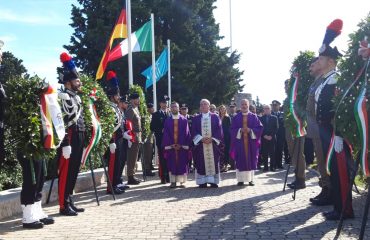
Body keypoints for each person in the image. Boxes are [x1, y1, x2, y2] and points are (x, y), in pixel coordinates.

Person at [314, 19, 353, 220]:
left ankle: (344, 209)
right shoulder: (326, 80)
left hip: (335, 132)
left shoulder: (336, 79)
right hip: (327, 131)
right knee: (334, 171)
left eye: (321, 59)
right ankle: (339, 206)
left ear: (330, 61)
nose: (318, 62)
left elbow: (339, 110)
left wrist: (339, 134)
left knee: (340, 170)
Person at [57, 52, 86, 216]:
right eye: (76, 80)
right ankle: (63, 205)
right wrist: (66, 143)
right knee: (67, 171)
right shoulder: (64, 96)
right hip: (70, 138)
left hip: (79, 136)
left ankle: (69, 200)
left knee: (74, 171)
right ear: (68, 82)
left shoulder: (76, 97)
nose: (79, 82)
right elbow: (63, 122)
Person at [230, 99, 263, 186]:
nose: (244, 106)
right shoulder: (236, 117)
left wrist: (250, 130)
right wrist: (240, 130)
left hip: (251, 143)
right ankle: (240, 180)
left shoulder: (254, 116)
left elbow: (259, 128)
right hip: (240, 143)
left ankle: (250, 180)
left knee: (251, 159)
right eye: (242, 104)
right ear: (240, 106)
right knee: (240, 159)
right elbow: (232, 129)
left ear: (248, 105)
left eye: (246, 104)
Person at [192, 99, 223, 188]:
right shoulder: (196, 118)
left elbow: (219, 130)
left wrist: (212, 139)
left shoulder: (215, 117)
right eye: (201, 104)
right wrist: (201, 139)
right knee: (201, 162)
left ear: (209, 106)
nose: (203, 106)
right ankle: (202, 182)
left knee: (213, 161)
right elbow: (193, 130)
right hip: (201, 145)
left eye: (205, 104)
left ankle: (213, 181)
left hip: (212, 144)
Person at [104, 71, 126, 194]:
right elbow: (109, 126)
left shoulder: (116, 107)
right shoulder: (109, 108)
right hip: (113, 138)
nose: (119, 97)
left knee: (118, 162)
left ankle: (116, 182)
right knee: (113, 163)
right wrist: (111, 141)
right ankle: (111, 186)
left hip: (120, 138)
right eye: (117, 95)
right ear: (112, 96)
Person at [162, 102, 191, 188]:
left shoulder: (184, 120)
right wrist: (171, 145)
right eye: (172, 107)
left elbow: (186, 133)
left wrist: (181, 145)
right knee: (172, 163)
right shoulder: (167, 120)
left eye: (176, 107)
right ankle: (173, 182)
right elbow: (166, 134)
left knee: (182, 163)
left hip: (181, 147)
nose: (174, 108)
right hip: (171, 147)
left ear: (179, 108)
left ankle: (182, 182)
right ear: (170, 109)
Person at [150, 95, 171, 183]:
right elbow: (152, 127)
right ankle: (163, 177)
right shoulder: (156, 114)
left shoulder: (170, 114)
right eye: (163, 103)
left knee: (169, 158)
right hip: (161, 140)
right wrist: (161, 130)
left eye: (166, 103)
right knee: (162, 159)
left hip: (170, 141)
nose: (165, 104)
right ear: (160, 104)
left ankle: (169, 176)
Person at [125, 92, 142, 185]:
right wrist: (130, 137)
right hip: (133, 137)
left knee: (135, 157)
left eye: (138, 98)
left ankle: (133, 175)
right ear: (132, 100)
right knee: (131, 157)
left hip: (137, 136)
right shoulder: (130, 110)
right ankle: (130, 177)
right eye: (137, 99)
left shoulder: (136, 109)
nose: (138, 100)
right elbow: (128, 124)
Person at [259, 105, 278, 171]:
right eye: (265, 109)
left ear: (270, 109)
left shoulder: (274, 118)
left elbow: (276, 128)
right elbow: (260, 128)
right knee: (265, 153)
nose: (266, 110)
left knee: (272, 153)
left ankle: (272, 167)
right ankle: (266, 167)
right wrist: (264, 135)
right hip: (264, 138)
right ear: (263, 110)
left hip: (272, 138)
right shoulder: (261, 118)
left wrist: (271, 136)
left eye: (268, 108)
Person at [271, 100, 285, 169]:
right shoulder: (270, 114)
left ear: (279, 106)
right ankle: (274, 164)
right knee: (273, 150)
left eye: (276, 105)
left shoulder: (283, 114)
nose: (274, 107)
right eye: (273, 105)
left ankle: (279, 164)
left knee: (280, 150)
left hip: (281, 135)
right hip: (273, 135)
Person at [143, 103, 155, 177]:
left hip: (151, 138)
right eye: (151, 108)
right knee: (147, 155)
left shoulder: (151, 116)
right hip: (147, 139)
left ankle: (149, 167)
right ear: (148, 109)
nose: (153, 109)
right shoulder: (146, 116)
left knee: (150, 154)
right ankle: (146, 170)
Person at [218, 105, 231, 172]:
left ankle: (226, 165)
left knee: (226, 151)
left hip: (226, 137)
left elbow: (229, 128)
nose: (222, 110)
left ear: (225, 110)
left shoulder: (227, 117)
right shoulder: (218, 117)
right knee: (220, 152)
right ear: (219, 110)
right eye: (221, 109)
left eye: (223, 109)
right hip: (219, 137)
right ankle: (221, 165)